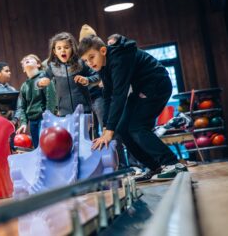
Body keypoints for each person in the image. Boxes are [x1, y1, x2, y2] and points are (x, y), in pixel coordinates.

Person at [78, 34, 187, 182]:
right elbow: (108, 95)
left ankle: (173, 164)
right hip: (141, 89)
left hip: (157, 85)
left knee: (137, 127)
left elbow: (119, 95)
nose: (89, 63)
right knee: (122, 129)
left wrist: (109, 131)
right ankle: (154, 166)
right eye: (85, 60)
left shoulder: (118, 58)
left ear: (103, 51)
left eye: (91, 57)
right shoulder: (103, 66)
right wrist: (105, 127)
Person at [37, 32, 99, 116]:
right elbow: (42, 78)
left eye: (66, 47)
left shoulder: (81, 62)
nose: (63, 50)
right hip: (64, 112)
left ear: (72, 48)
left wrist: (87, 80)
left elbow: (97, 76)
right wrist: (41, 81)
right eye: (59, 48)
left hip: (84, 110)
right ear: (55, 51)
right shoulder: (52, 66)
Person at [15, 54, 57, 148]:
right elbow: (22, 106)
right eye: (24, 60)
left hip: (44, 119)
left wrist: (48, 117)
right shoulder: (24, 86)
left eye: (30, 58)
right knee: (37, 149)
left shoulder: (44, 78)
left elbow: (51, 99)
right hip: (33, 122)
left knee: (47, 147)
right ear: (23, 69)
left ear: (38, 64)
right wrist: (24, 123)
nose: (26, 59)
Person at [79, 25, 106, 138]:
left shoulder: (99, 55)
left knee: (105, 126)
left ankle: (116, 155)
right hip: (85, 100)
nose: (89, 62)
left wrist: (89, 80)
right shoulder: (81, 60)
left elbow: (98, 76)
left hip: (98, 96)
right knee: (91, 132)